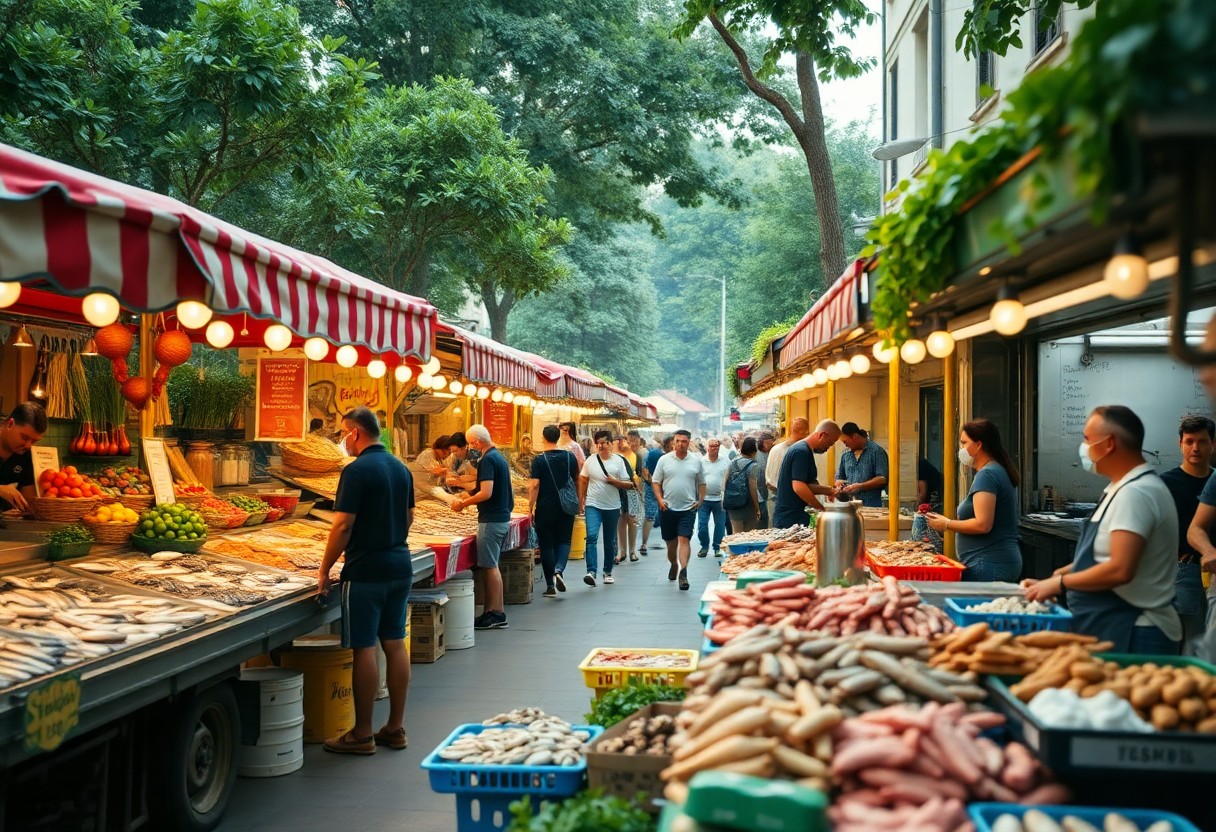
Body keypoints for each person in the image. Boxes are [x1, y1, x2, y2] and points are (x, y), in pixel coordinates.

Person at [1025, 406, 1182, 654]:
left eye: (1087, 439)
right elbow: (1099, 559)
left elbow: (1119, 569)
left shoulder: (1136, 493)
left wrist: (1062, 584)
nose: (1084, 447)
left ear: (1108, 444)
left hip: (1136, 629)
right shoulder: (1118, 489)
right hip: (1112, 623)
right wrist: (1053, 579)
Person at [317, 407, 414, 755]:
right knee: (394, 641)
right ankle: (395, 727)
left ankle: (362, 733)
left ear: (356, 432)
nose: (344, 440)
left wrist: (325, 568)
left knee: (364, 647)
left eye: (345, 433)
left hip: (366, 570)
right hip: (400, 564)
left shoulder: (356, 471)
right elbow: (409, 516)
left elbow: (343, 525)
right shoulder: (401, 468)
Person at [926, 419, 1022, 583]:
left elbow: (983, 524)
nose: (961, 449)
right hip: (990, 563)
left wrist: (947, 524)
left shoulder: (988, 475)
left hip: (989, 565)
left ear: (979, 444)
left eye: (964, 443)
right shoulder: (995, 471)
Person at [451, 424, 513, 630]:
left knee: (490, 566)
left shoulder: (487, 460)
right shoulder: (498, 457)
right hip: (500, 516)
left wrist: (463, 504)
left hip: (492, 519)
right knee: (490, 565)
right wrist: (467, 494)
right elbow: (486, 489)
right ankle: (492, 611)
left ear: (477, 442)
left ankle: (495, 612)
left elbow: (486, 492)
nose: (470, 447)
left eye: (470, 444)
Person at [1161, 416, 1215, 649]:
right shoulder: (1165, 483)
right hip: (1185, 571)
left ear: (1213, 444)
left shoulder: (1214, 480)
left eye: (1202, 442)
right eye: (1189, 441)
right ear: (1180, 444)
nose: (1195, 448)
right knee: (1189, 643)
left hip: (1214, 573)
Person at [651, 429, 706, 591]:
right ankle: (674, 564)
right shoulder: (664, 460)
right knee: (671, 543)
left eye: (684, 441)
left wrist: (700, 500)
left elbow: (702, 483)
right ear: (673, 443)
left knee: (684, 540)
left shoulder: (696, 461)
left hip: (688, 508)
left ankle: (683, 573)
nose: (681, 444)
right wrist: (660, 500)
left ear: (689, 443)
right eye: (678, 441)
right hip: (667, 507)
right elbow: (655, 482)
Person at [528, 425, 579, 597]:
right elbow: (577, 480)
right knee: (564, 540)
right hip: (567, 505)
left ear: (543, 437)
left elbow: (534, 485)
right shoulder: (570, 456)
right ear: (558, 437)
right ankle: (559, 569)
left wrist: (530, 507)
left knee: (547, 544)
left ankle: (550, 585)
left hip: (545, 506)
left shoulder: (539, 460)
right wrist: (579, 501)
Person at [578, 430, 632, 586]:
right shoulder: (590, 461)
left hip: (612, 506)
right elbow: (583, 479)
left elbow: (629, 484)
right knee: (592, 536)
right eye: (598, 443)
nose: (600, 446)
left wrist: (616, 482)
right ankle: (591, 571)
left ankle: (607, 571)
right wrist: (581, 500)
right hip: (593, 504)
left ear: (610, 443)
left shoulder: (619, 461)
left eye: (603, 443)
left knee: (609, 540)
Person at [773, 420, 842, 528]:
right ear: (822, 435)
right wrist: (820, 508)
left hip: (796, 516)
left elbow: (808, 485)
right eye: (830, 443)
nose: (829, 447)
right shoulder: (801, 451)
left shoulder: (804, 451)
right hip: (791, 518)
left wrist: (829, 491)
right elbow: (799, 487)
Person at [0, 402, 46, 514]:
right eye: (24, 437)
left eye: (34, 441)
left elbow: (28, 502)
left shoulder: (26, 456)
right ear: (10, 424)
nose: (28, 445)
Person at [833, 423, 889, 507]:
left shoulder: (876, 451)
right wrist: (839, 483)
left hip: (871, 503)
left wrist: (861, 486)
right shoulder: (845, 454)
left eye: (846, 442)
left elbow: (882, 479)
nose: (845, 445)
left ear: (855, 436)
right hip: (850, 503)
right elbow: (839, 476)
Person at [696, 438, 732, 558]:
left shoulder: (725, 461)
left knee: (720, 525)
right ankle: (704, 547)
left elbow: (729, 477)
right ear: (707, 447)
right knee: (702, 525)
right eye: (711, 446)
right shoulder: (701, 461)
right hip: (704, 499)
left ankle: (717, 547)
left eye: (716, 446)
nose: (714, 448)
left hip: (719, 499)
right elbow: (697, 479)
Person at [766, 418, 810, 504]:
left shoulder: (776, 449)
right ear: (805, 432)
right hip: (787, 496)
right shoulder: (798, 451)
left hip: (775, 494)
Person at [616, 432, 645, 562]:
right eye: (628, 440)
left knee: (632, 520)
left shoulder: (636, 456)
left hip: (632, 490)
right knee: (621, 520)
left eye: (633, 440)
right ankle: (622, 551)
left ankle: (632, 550)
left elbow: (640, 473)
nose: (629, 443)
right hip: (619, 490)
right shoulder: (616, 455)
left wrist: (640, 490)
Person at [724, 437, 763, 533]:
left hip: (733, 503)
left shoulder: (733, 462)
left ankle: (734, 548)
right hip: (748, 504)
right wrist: (757, 508)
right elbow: (752, 488)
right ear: (754, 451)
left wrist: (726, 499)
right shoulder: (754, 465)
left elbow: (725, 481)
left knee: (736, 532)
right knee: (749, 533)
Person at [640, 435, 667, 555]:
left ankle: (644, 543)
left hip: (652, 486)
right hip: (664, 487)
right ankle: (671, 541)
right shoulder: (669, 456)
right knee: (669, 514)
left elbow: (644, 470)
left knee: (649, 516)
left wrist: (651, 482)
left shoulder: (651, 453)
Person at [755, 432, 774, 528]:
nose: (772, 445)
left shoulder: (767, 453)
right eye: (771, 443)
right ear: (765, 443)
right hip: (759, 495)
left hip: (764, 494)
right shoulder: (758, 454)